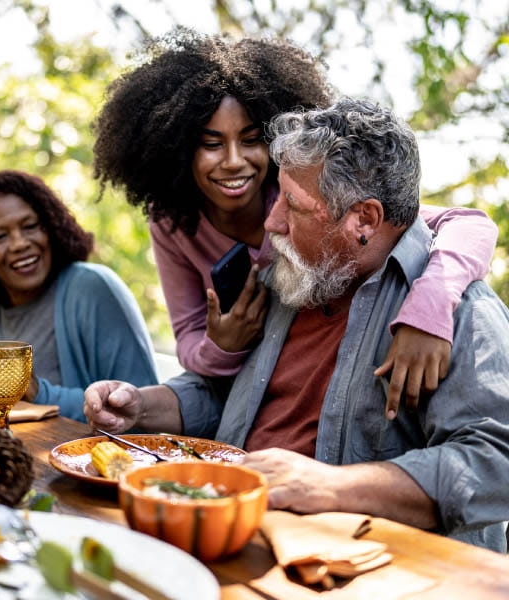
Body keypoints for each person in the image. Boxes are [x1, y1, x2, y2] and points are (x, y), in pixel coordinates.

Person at [85, 99, 509, 551]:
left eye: (292, 203)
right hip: (230, 534)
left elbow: (494, 461)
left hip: (360, 566)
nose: (271, 222)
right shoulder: (292, 281)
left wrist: (329, 487)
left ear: (363, 219)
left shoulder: (456, 310)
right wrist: (140, 406)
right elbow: (228, 394)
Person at [93, 28, 498, 417]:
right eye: (212, 145)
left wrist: (427, 311)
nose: (234, 161)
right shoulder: (173, 224)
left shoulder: (299, 196)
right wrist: (223, 347)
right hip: (247, 388)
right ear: (178, 150)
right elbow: (191, 343)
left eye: (252, 140)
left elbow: (466, 224)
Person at [0, 170, 158, 422]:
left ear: (50, 227)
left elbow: (139, 410)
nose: (19, 243)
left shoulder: (92, 288)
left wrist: (35, 391)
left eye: (30, 226)